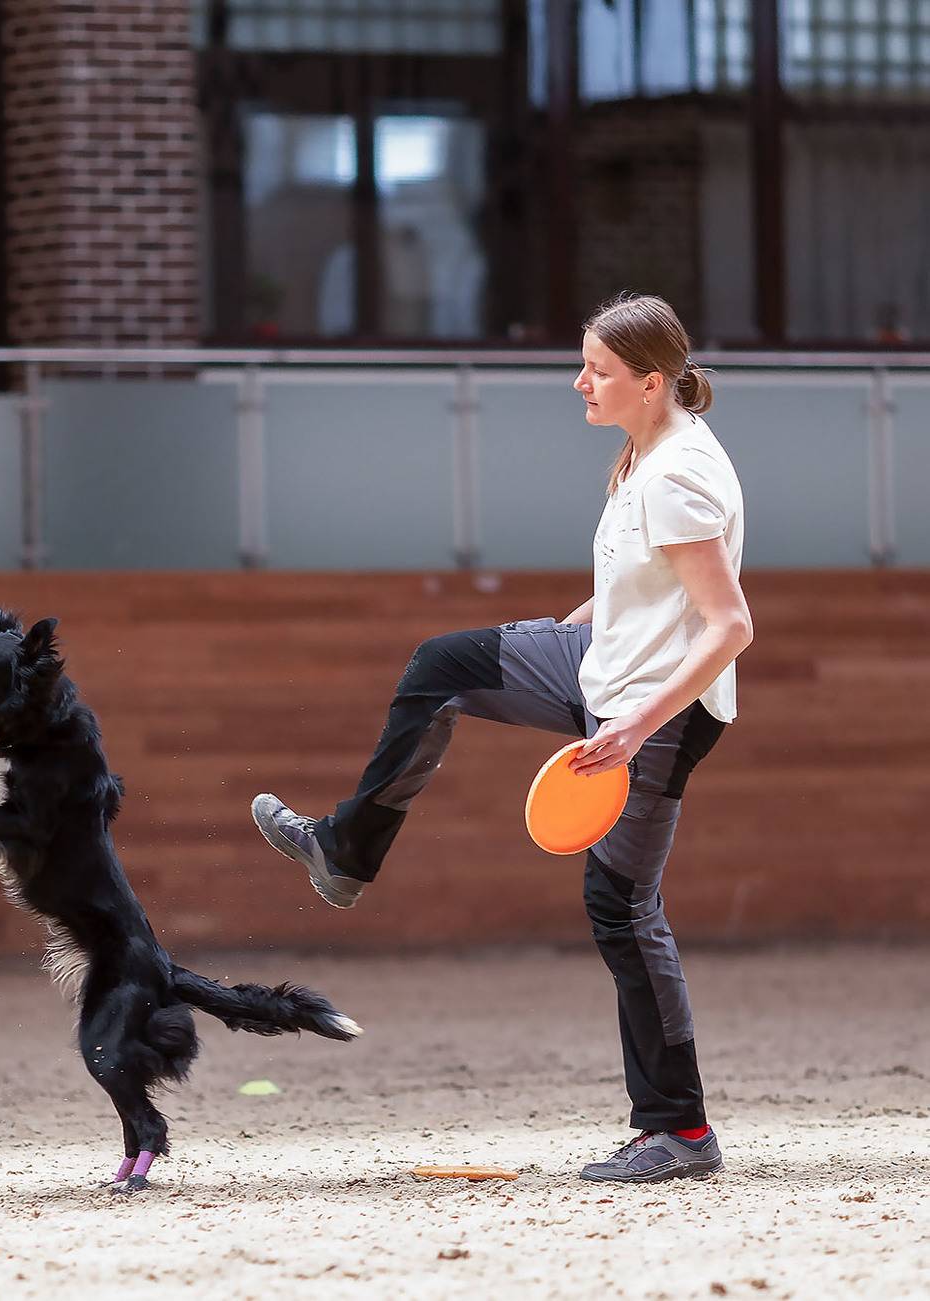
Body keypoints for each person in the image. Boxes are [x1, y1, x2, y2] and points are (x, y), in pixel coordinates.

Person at [252, 292, 752, 1183]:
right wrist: (572, 628)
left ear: (649, 381)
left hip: (655, 711)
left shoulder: (678, 475)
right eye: (582, 364)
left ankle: (678, 1129)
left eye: (597, 370)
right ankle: (344, 852)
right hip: (602, 663)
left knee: (621, 909)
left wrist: (637, 725)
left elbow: (729, 625)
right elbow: (649, 585)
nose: (580, 382)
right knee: (441, 664)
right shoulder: (646, 449)